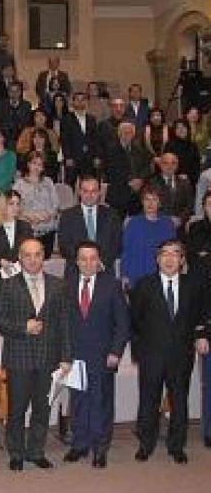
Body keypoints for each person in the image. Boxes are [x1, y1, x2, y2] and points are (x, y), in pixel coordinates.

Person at [131, 239, 209, 464]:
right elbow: (134, 321)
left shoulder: (194, 285)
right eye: (164, 254)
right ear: (157, 259)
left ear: (182, 260)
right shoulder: (144, 285)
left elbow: (202, 315)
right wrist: (138, 352)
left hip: (181, 354)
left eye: (175, 254)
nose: (169, 258)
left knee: (179, 400)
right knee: (148, 400)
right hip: (151, 354)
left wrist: (202, 336)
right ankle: (146, 444)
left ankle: (177, 446)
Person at [0, 238, 72, 471]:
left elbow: (64, 324)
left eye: (37, 254)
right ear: (19, 258)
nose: (32, 259)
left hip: (48, 358)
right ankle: (16, 453)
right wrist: (24, 327)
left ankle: (36, 451)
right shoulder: (7, 285)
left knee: (43, 408)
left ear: (44, 257)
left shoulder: (58, 285)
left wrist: (66, 357)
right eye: (27, 255)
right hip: (19, 358)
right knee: (17, 410)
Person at [63, 241, 129, 469]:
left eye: (93, 258)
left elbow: (123, 323)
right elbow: (62, 323)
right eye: (83, 258)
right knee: (78, 401)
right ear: (77, 261)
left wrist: (116, 351)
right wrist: (65, 355)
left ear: (99, 261)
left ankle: (100, 448)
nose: (88, 263)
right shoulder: (67, 285)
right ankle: (79, 444)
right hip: (75, 355)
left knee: (100, 400)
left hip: (103, 355)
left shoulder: (112, 285)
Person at [58, 175, 122, 276]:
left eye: (94, 191)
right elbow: (64, 246)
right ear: (79, 192)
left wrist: (101, 264)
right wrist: (84, 264)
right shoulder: (67, 216)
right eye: (85, 191)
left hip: (104, 270)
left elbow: (116, 244)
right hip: (76, 271)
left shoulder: (112, 215)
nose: (89, 195)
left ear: (100, 192)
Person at [187, 192, 211, 447]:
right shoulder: (196, 230)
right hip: (208, 322)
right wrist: (201, 331)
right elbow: (198, 290)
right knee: (209, 384)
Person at [121, 186, 176, 289]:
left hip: (161, 277)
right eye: (147, 199)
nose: (150, 203)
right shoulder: (133, 223)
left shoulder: (168, 224)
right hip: (136, 277)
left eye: (154, 199)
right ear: (142, 202)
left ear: (160, 203)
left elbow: (173, 252)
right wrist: (124, 275)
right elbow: (126, 251)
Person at [103, 121, 154, 218]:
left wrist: (140, 180)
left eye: (130, 132)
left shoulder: (139, 149)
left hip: (137, 195)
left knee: (136, 224)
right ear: (119, 134)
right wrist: (130, 181)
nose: (128, 135)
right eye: (125, 132)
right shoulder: (111, 150)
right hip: (118, 194)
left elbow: (147, 167)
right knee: (117, 225)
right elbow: (110, 171)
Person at [0, 190, 33, 279]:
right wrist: (0, 261)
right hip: (0, 277)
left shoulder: (26, 227)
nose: (15, 207)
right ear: (3, 205)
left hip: (22, 275)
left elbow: (32, 250)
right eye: (11, 204)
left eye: (17, 204)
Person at [60, 92, 100, 186]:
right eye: (77, 99)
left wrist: (97, 156)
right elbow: (64, 139)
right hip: (73, 158)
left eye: (83, 99)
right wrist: (68, 157)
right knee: (70, 185)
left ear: (86, 102)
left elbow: (96, 139)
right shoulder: (66, 119)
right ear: (73, 102)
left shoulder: (92, 119)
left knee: (88, 184)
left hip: (89, 159)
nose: (80, 102)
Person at [148, 151, 194, 226]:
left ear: (177, 166)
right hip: (158, 224)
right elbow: (149, 205)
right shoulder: (151, 183)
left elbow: (190, 205)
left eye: (173, 163)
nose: (170, 166)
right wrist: (165, 220)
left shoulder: (185, 183)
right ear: (160, 165)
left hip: (180, 226)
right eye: (165, 163)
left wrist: (180, 219)